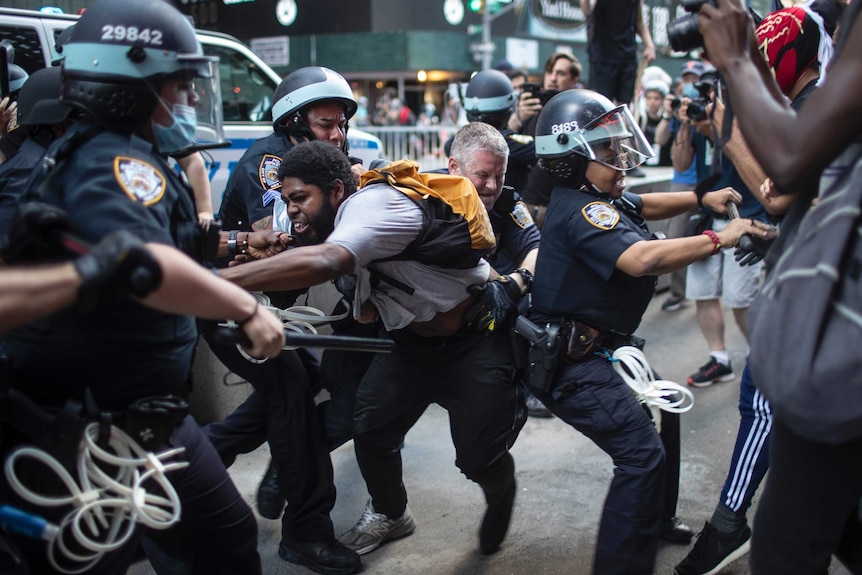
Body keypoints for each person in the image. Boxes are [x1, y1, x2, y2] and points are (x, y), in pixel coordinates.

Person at [0, 2, 287, 575]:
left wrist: (231, 244)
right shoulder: (112, 160)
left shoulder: (114, 151)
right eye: (175, 84)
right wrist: (245, 307)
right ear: (126, 83)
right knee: (104, 555)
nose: (184, 99)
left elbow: (164, 236)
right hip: (100, 421)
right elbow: (145, 264)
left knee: (213, 539)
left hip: (141, 413)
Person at [220, 139, 528, 558]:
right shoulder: (340, 223)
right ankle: (391, 513)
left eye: (299, 198)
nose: (291, 211)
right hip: (411, 345)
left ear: (335, 191)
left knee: (478, 458)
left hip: (475, 342)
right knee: (370, 429)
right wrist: (249, 255)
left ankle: (500, 490)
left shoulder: (375, 206)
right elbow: (347, 290)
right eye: (286, 200)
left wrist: (216, 286)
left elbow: (329, 261)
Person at [526, 88, 771, 575]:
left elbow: (647, 203)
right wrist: (717, 238)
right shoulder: (580, 211)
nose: (619, 157)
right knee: (641, 456)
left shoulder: (599, 196)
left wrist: (702, 196)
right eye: (607, 149)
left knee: (666, 409)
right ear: (572, 157)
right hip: (572, 365)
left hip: (601, 350)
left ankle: (654, 517)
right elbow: (642, 259)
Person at [673, 1, 860, 574]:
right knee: (813, 519)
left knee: (765, 403)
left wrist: (734, 63)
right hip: (825, 306)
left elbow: (787, 175)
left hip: (835, 321)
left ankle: (729, 523)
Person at [200, 65, 364, 575]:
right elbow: (291, 236)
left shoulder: (315, 157)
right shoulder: (270, 165)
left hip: (264, 302)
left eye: (341, 124)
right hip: (239, 303)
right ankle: (306, 533)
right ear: (293, 122)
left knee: (297, 388)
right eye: (324, 124)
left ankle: (183, 466)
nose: (337, 134)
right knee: (293, 395)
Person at [672, 68, 769, 388]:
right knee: (703, 292)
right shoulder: (701, 120)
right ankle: (720, 359)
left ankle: (764, 361)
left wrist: (718, 128)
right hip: (706, 218)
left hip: (745, 217)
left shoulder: (748, 120)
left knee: (741, 298)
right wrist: (687, 125)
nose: (709, 101)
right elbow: (681, 163)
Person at [517, 52, 582, 228]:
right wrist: (518, 118)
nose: (553, 78)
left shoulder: (579, 110)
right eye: (549, 71)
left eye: (560, 73)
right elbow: (508, 143)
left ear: (574, 79)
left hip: (559, 206)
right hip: (526, 203)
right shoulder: (532, 105)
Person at [581, 0, 655, 107]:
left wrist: (649, 45)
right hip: (602, 57)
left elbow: (638, 20)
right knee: (601, 106)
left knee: (624, 107)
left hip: (627, 55)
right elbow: (588, 11)